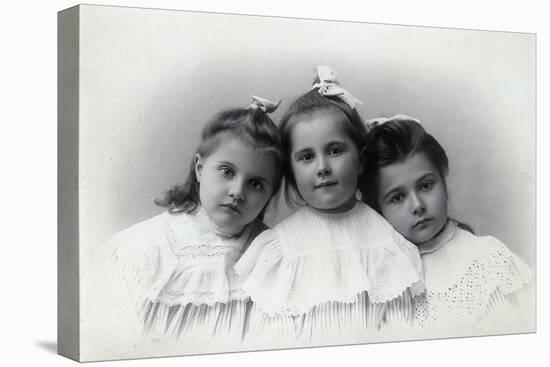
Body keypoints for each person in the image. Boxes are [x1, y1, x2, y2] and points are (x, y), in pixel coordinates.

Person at [235, 67, 424, 346]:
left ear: (360, 160)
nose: (322, 168)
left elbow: (405, 330)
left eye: (335, 151)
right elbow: (264, 339)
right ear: (291, 169)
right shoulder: (278, 249)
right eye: (307, 156)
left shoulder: (387, 241)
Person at [108, 96, 285, 345]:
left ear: (270, 194)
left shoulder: (270, 254)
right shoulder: (149, 244)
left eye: (255, 184)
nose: (237, 191)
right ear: (200, 168)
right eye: (227, 171)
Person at [361, 115, 533, 338]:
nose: (417, 205)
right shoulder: (378, 277)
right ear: (377, 207)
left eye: (425, 186)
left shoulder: (488, 258)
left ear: (443, 181)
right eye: (397, 198)